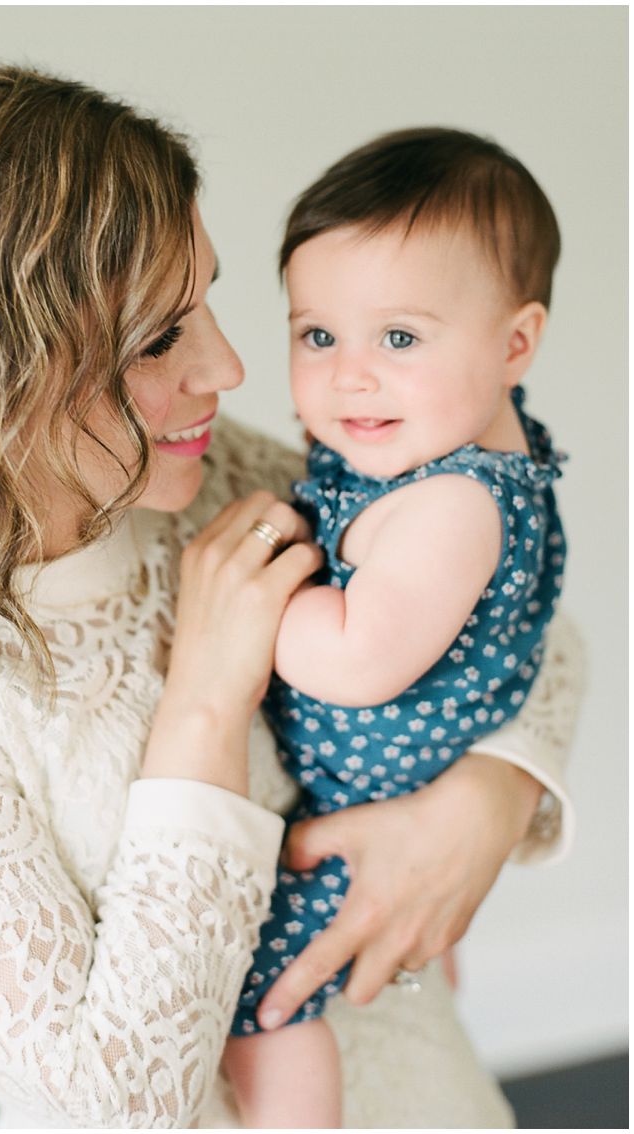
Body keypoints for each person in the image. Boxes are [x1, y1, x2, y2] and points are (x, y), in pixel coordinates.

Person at [0, 63, 581, 1127]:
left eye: (204, 300)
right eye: (157, 338)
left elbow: (525, 629)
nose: (228, 365)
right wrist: (203, 706)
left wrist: (481, 803)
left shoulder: (214, 478)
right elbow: (118, 1108)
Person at [220, 129, 567, 1126]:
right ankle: (430, 960)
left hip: (371, 796)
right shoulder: (443, 445)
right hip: (411, 767)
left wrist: (253, 602)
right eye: (316, 335)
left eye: (398, 338)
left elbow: (353, 659)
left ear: (514, 342)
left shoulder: (449, 505)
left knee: (265, 1005)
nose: (348, 377)